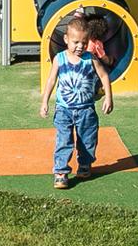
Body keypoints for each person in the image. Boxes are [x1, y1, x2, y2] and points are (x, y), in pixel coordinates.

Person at [38, 11, 114, 190]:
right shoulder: (60, 59)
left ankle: (85, 164)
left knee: (87, 139)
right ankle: (61, 172)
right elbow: (51, 80)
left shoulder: (91, 59)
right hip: (64, 109)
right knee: (64, 140)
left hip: (86, 109)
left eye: (84, 43)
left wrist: (109, 98)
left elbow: (104, 76)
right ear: (66, 39)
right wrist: (44, 102)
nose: (80, 46)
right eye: (76, 42)